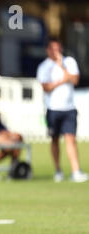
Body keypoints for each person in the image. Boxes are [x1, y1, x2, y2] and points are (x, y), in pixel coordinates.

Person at [36, 38, 88, 183]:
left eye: (58, 48)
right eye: (53, 49)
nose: (57, 52)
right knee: (54, 140)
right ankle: (58, 170)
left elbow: (75, 80)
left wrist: (63, 68)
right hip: (53, 108)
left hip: (69, 108)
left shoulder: (69, 62)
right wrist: (62, 80)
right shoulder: (44, 67)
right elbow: (46, 87)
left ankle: (75, 170)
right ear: (48, 50)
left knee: (70, 139)